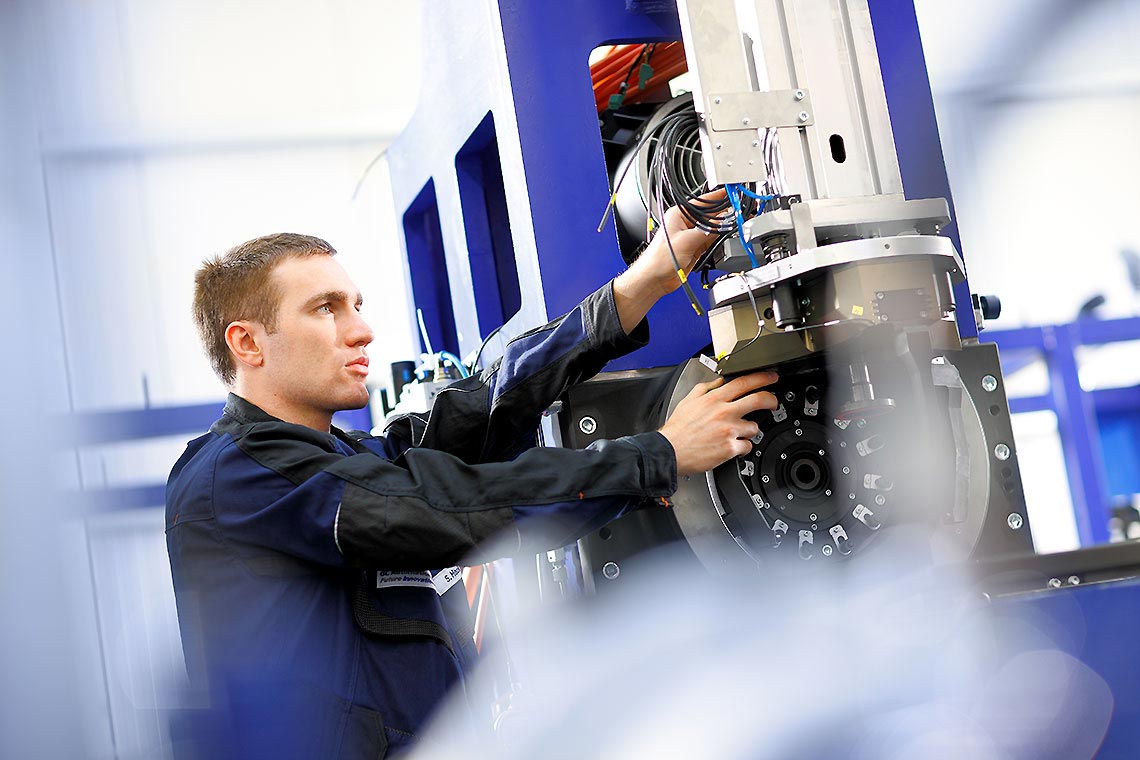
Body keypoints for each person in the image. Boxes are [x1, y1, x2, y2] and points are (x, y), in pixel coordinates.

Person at [165, 203, 778, 758]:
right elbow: (441, 508)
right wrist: (659, 455)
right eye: (325, 308)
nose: (361, 330)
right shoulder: (234, 476)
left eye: (357, 305)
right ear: (247, 342)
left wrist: (640, 285)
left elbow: (480, 412)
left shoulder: (331, 459)